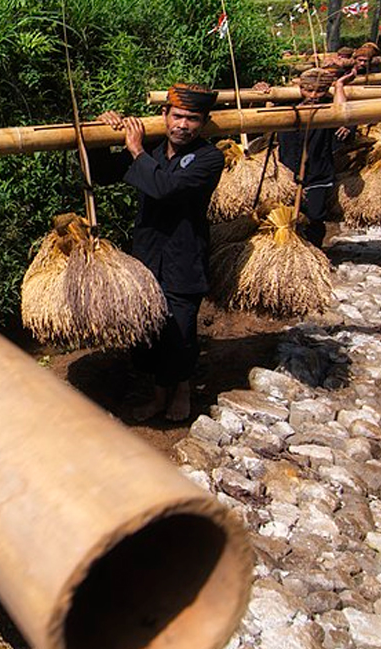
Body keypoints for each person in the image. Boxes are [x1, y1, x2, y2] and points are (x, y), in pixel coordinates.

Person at [87, 84, 225, 423]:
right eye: (177, 116)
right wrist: (101, 136)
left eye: (192, 119)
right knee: (149, 332)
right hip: (147, 256)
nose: (183, 125)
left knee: (180, 331)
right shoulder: (153, 147)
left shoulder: (209, 157)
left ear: (204, 122)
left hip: (184, 258)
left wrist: (136, 151)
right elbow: (102, 175)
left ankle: (182, 391)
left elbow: (166, 189)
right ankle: (158, 395)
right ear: (164, 116)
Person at [256, 66, 356, 247]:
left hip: (318, 174)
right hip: (286, 175)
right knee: (283, 217)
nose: (313, 95)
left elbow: (343, 116)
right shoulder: (285, 107)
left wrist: (340, 86)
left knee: (314, 217)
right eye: (308, 90)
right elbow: (258, 114)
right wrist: (262, 92)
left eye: (320, 90)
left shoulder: (330, 110)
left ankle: (314, 251)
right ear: (300, 89)